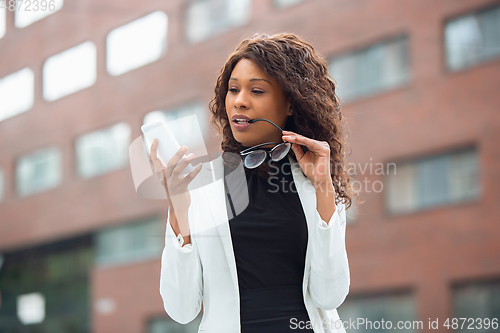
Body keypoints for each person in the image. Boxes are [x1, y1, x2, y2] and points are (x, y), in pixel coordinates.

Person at [150, 33, 359, 333]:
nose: (240, 101)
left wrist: (324, 187)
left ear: (290, 103)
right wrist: (178, 208)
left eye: (257, 91)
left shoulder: (316, 179)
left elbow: (330, 295)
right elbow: (181, 310)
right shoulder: (202, 183)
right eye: (233, 90)